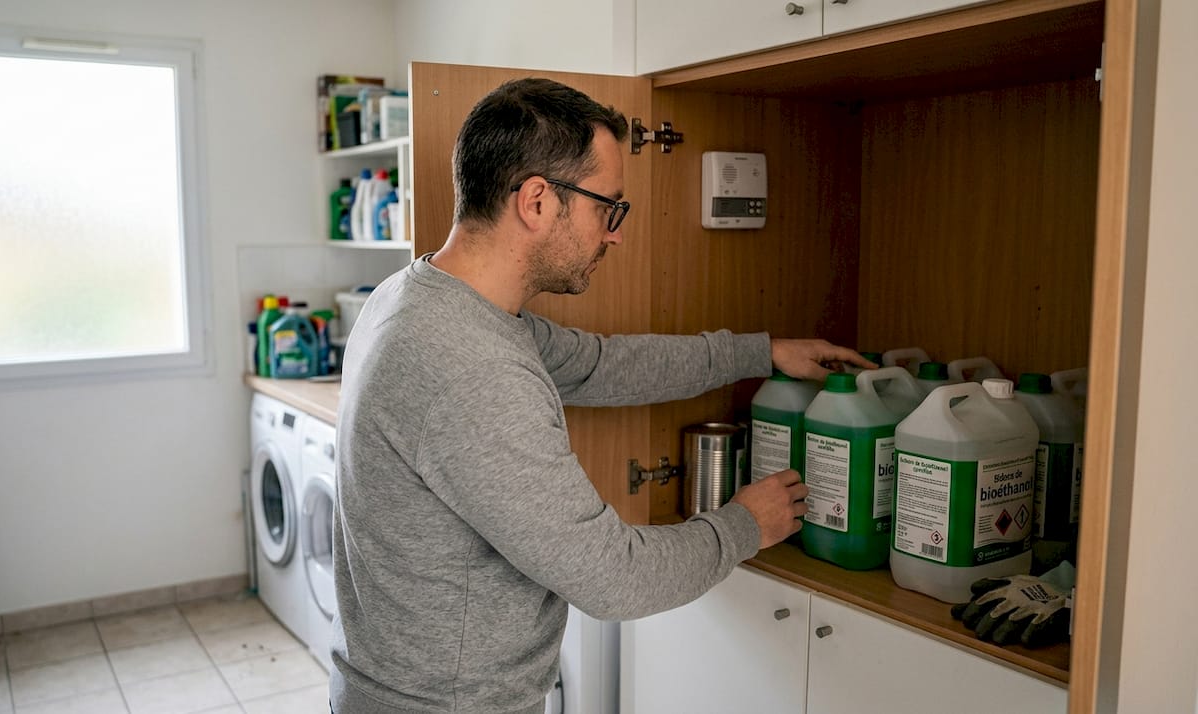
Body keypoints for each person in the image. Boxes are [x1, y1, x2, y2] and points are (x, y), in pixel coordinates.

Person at [330, 77, 875, 714]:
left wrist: (761, 351)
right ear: (536, 200)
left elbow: (599, 365)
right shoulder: (469, 366)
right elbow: (614, 578)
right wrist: (745, 524)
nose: (615, 234)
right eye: (606, 208)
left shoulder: (419, 297)